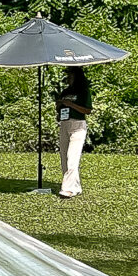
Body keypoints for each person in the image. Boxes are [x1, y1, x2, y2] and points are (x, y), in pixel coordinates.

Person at [55, 64, 93, 197]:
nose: (69, 77)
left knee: (72, 157)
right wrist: (60, 104)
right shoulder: (65, 92)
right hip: (64, 123)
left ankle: (68, 189)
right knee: (64, 157)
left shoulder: (83, 92)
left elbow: (87, 110)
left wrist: (71, 104)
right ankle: (75, 186)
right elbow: (59, 108)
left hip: (77, 125)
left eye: (71, 75)